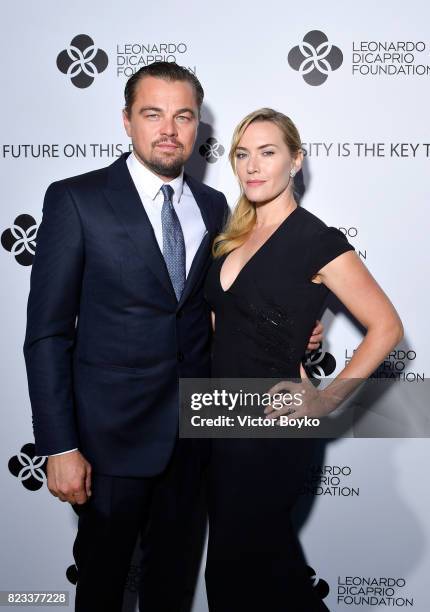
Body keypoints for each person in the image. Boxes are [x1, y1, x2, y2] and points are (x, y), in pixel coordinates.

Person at [23, 65, 323, 611]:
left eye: (183, 116)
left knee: (173, 588)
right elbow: (46, 334)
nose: (169, 129)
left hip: (195, 443)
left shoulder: (216, 209)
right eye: (152, 114)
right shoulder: (76, 200)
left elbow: (228, 308)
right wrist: (60, 445)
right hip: (108, 444)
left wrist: (290, 331)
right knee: (101, 588)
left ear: (197, 126)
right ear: (126, 121)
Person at [203, 108, 404, 611]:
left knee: (251, 570)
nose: (252, 166)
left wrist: (326, 400)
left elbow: (388, 327)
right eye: (242, 154)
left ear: (296, 161)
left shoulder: (317, 240)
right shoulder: (230, 237)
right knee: (243, 573)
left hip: (272, 429)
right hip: (217, 420)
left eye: (267, 153)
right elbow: (224, 326)